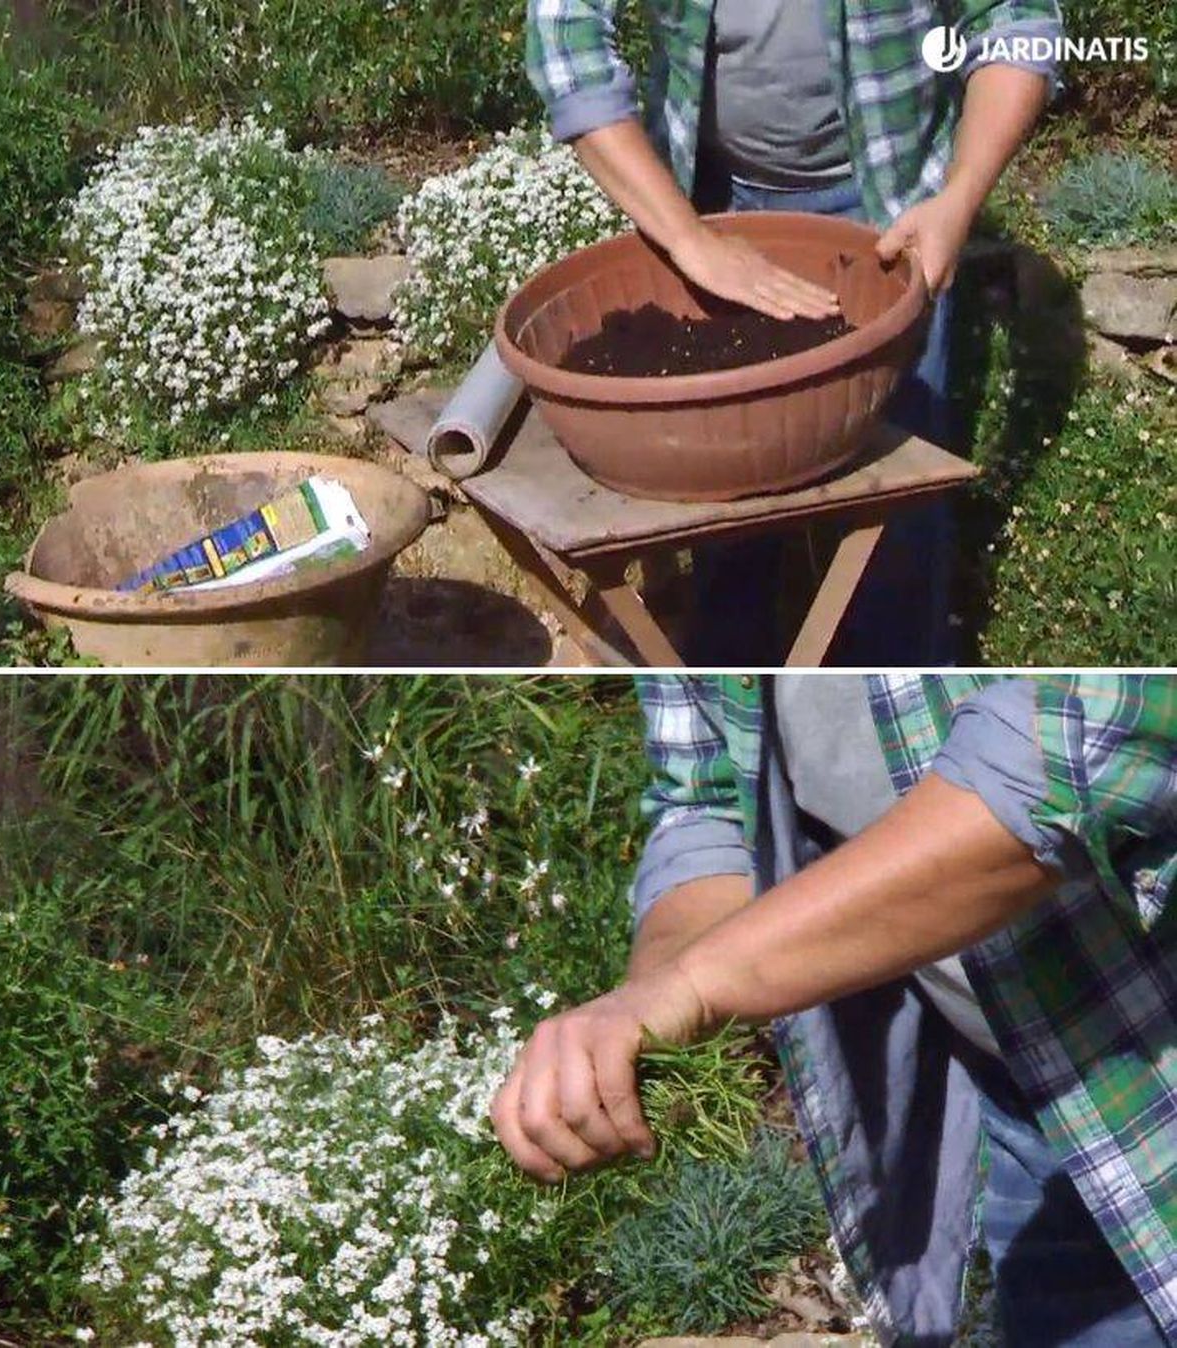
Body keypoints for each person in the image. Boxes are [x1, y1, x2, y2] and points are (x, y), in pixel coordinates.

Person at [491, 674, 1177, 1345]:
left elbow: (1066, 754)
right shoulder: (700, 608)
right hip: (1042, 1102)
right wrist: (646, 1006)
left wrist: (698, 985)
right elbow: (706, 804)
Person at [524, 0, 1062, 664]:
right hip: (712, 201)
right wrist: (689, 238)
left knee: (895, 512)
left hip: (892, 207)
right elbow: (566, 40)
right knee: (721, 510)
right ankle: (732, 699)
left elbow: (1016, 23)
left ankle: (895, 687)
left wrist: (958, 199)